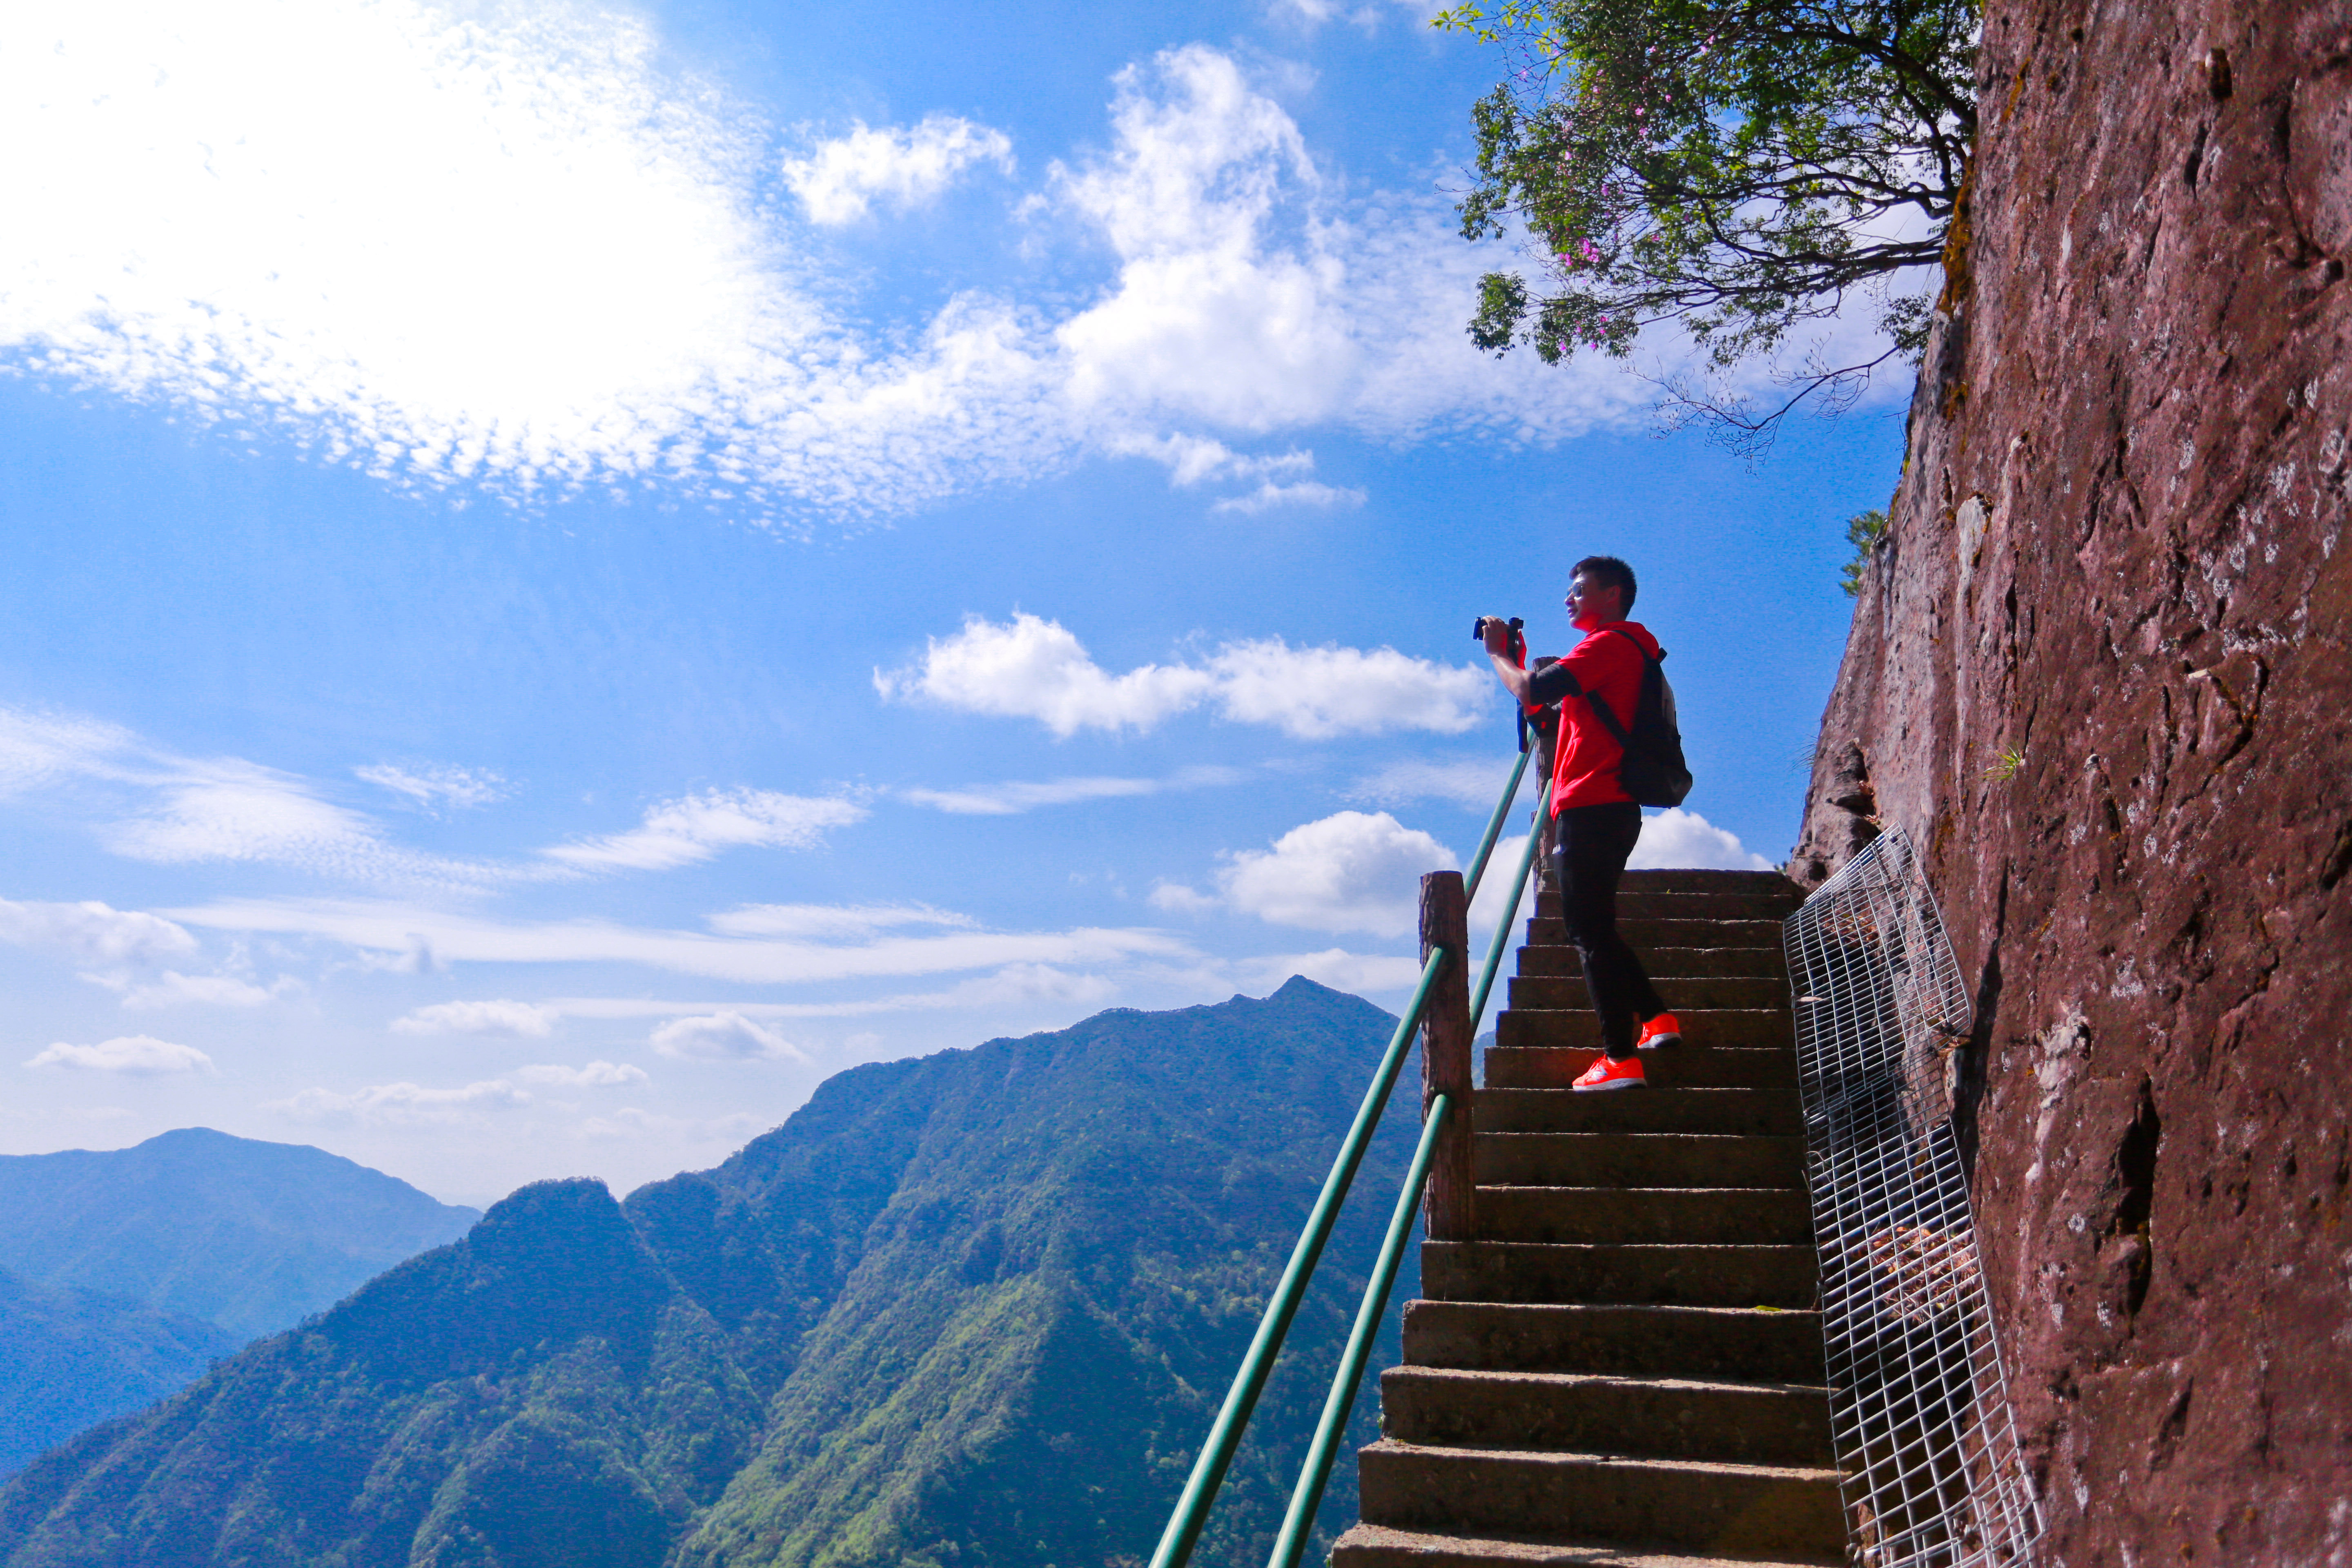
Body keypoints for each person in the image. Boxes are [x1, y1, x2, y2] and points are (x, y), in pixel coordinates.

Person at [1480, 556, 1680, 1091]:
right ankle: (1657, 1020)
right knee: (1597, 926)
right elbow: (1544, 716)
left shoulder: (1610, 644)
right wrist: (1522, 662)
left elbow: (1530, 692)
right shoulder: (1625, 651)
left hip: (1593, 804)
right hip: (1607, 807)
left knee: (1587, 931)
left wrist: (1499, 656)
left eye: (1579, 589)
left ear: (1612, 595)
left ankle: (1620, 1059)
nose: (1569, 598)